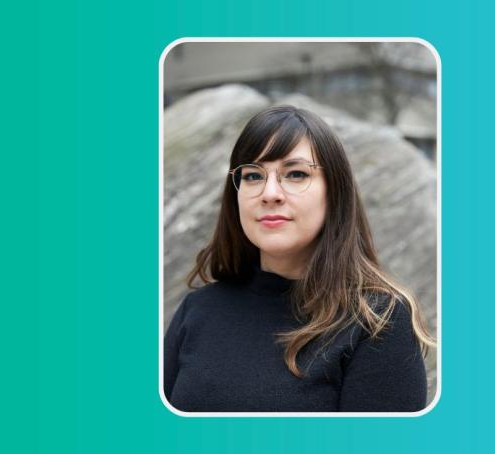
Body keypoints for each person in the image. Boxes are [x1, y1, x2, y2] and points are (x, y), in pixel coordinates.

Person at [162, 105, 435, 412]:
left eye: (295, 174)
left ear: (334, 193)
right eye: (253, 175)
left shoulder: (377, 322)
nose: (270, 193)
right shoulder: (198, 309)